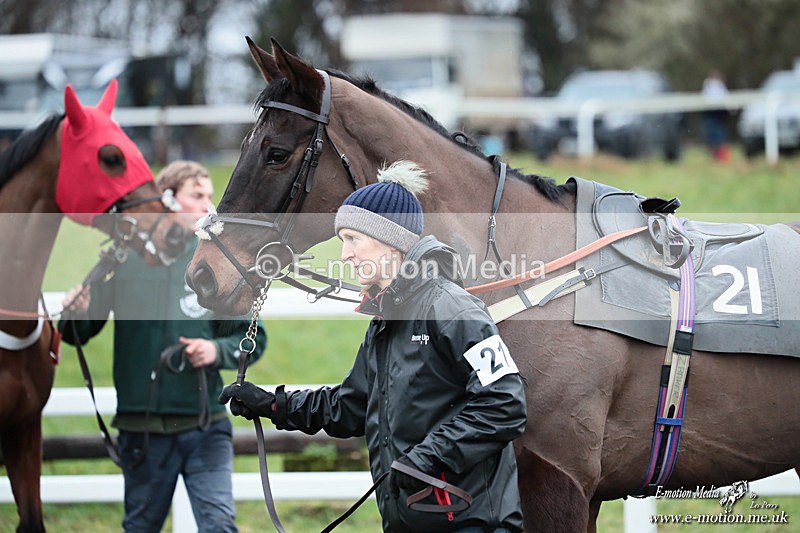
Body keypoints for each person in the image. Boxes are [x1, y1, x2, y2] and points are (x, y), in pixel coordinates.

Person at [220, 160, 527, 532]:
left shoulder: (451, 307)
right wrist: (272, 404)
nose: (345, 254)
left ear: (389, 242)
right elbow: (350, 408)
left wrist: (427, 458)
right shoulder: (385, 321)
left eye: (353, 240)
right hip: (411, 521)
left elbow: (505, 403)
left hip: (468, 522)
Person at [60, 160, 267, 533]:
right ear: (168, 199)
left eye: (210, 195)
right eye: (197, 195)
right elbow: (76, 333)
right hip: (142, 431)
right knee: (141, 528)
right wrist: (76, 310)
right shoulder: (124, 257)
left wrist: (215, 352)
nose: (209, 205)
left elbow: (254, 338)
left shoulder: (217, 264)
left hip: (206, 426)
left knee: (219, 526)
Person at [702, 70, 731, 161]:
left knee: (719, 134)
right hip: (711, 113)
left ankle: (721, 155)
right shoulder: (708, 85)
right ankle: (715, 155)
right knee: (714, 134)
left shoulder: (718, 86)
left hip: (718, 112)